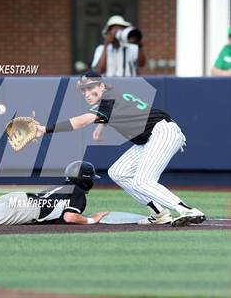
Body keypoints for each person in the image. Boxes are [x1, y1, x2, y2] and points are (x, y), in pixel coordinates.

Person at [35, 72, 205, 227]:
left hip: (162, 132)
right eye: (83, 90)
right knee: (118, 172)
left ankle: (186, 210)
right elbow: (110, 115)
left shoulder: (108, 98)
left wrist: (45, 129)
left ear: (101, 86)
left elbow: (82, 121)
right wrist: (100, 128)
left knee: (142, 180)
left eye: (90, 88)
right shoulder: (112, 96)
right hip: (150, 138)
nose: (86, 93)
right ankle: (159, 213)